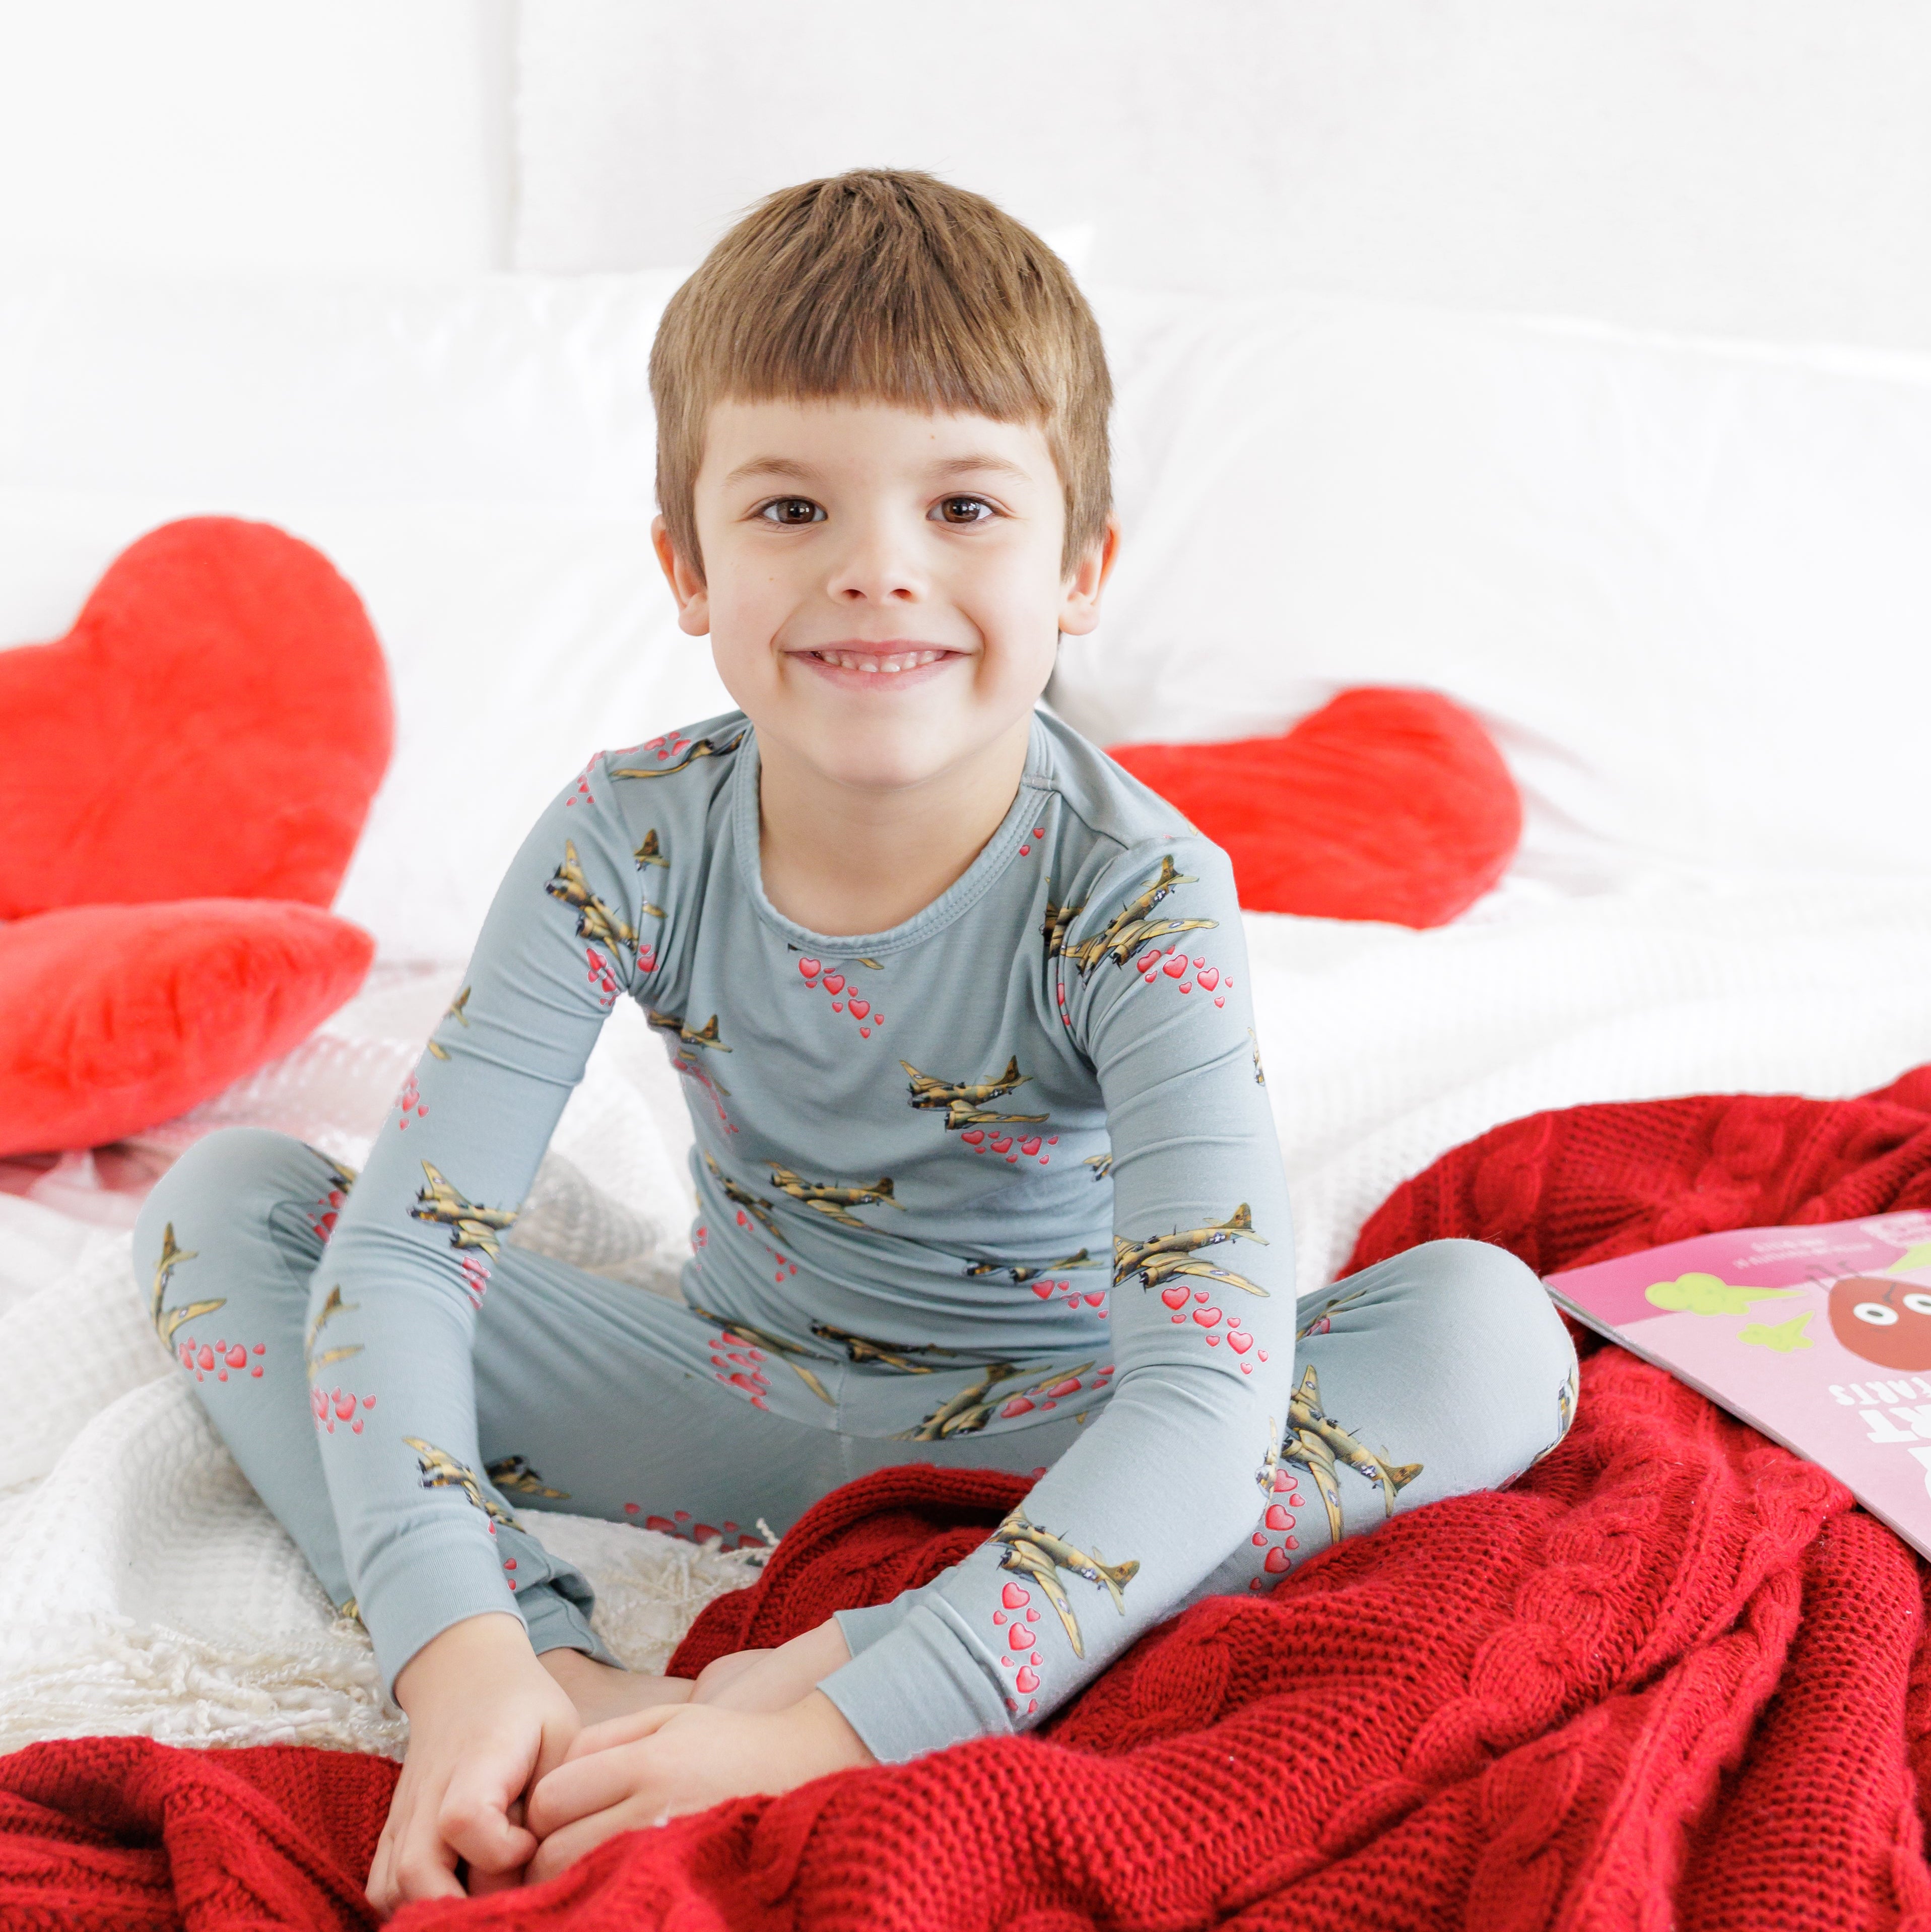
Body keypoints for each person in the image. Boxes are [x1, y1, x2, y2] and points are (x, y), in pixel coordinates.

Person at [134, 168, 1576, 1910]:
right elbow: (410, 1251)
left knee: (1491, 1327)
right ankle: (571, 1683)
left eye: (964, 506)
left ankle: (922, 1621)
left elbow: (1203, 1383)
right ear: (686, 564)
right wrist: (460, 1651)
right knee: (231, 1203)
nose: (878, 570)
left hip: (1059, 1420)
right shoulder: (623, 834)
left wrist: (856, 1707)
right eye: (794, 506)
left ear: (1083, 569)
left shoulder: (1138, 887)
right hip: (719, 1390)